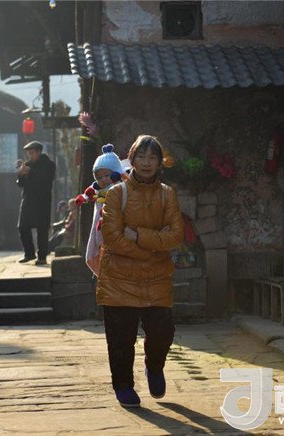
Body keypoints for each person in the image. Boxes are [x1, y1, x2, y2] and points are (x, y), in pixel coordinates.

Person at [97, 135, 184, 408]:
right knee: (120, 339)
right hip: (119, 279)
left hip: (156, 279)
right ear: (131, 159)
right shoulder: (116, 194)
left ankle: (154, 367)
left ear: (160, 162)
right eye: (142, 157)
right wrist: (152, 248)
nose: (147, 163)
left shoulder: (167, 194)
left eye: (152, 157)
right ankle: (123, 385)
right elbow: (112, 238)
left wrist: (139, 236)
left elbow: (176, 236)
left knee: (162, 332)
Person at [75, 144, 126, 275]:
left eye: (106, 175)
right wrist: (83, 197)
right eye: (99, 177)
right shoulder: (98, 189)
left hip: (116, 229)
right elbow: (89, 192)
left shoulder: (122, 187)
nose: (103, 179)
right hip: (100, 227)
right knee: (100, 247)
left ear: (116, 173)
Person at [16, 141, 56, 265]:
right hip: (28, 200)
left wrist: (30, 172)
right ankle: (29, 253)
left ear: (38, 152)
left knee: (42, 229)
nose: (30, 155)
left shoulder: (48, 164)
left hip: (42, 201)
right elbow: (21, 184)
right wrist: (20, 175)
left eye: (32, 152)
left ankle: (42, 256)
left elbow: (46, 179)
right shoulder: (28, 165)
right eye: (29, 153)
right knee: (22, 226)